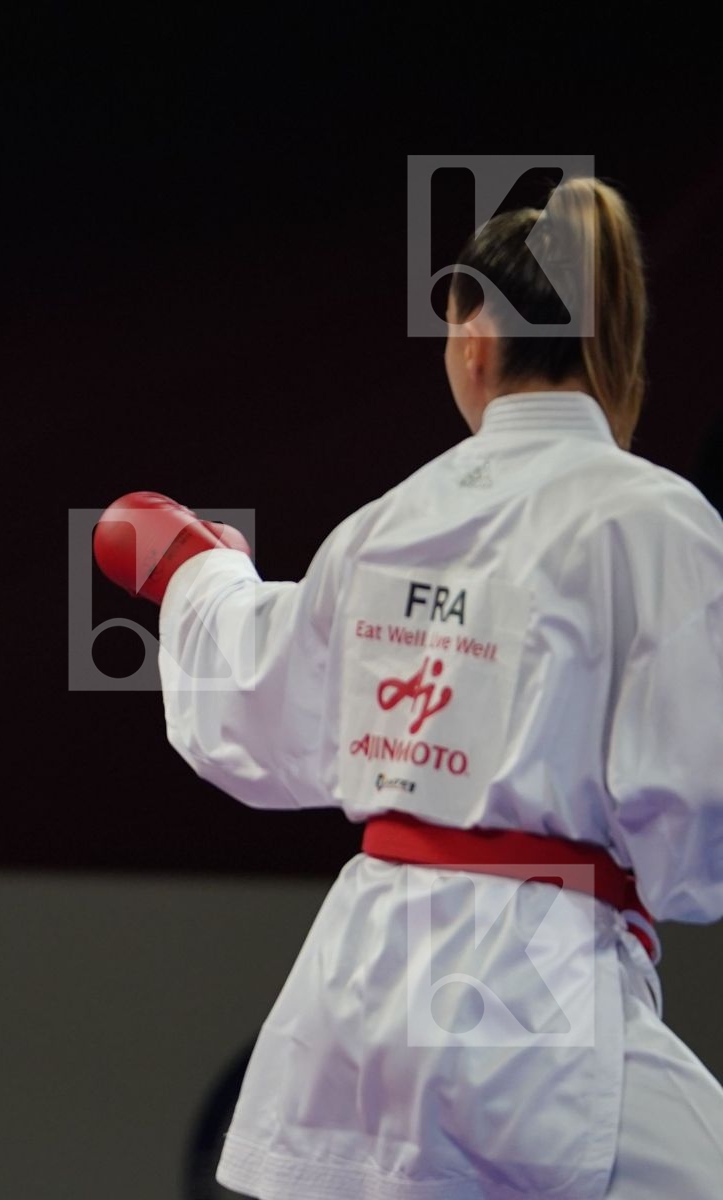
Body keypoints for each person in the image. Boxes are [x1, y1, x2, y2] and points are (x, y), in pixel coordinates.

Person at [94, 176, 723, 1199]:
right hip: (534, 997)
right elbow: (694, 810)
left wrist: (193, 572)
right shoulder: (652, 519)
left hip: (362, 994)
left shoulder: (389, 520)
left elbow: (264, 695)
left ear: (474, 339)